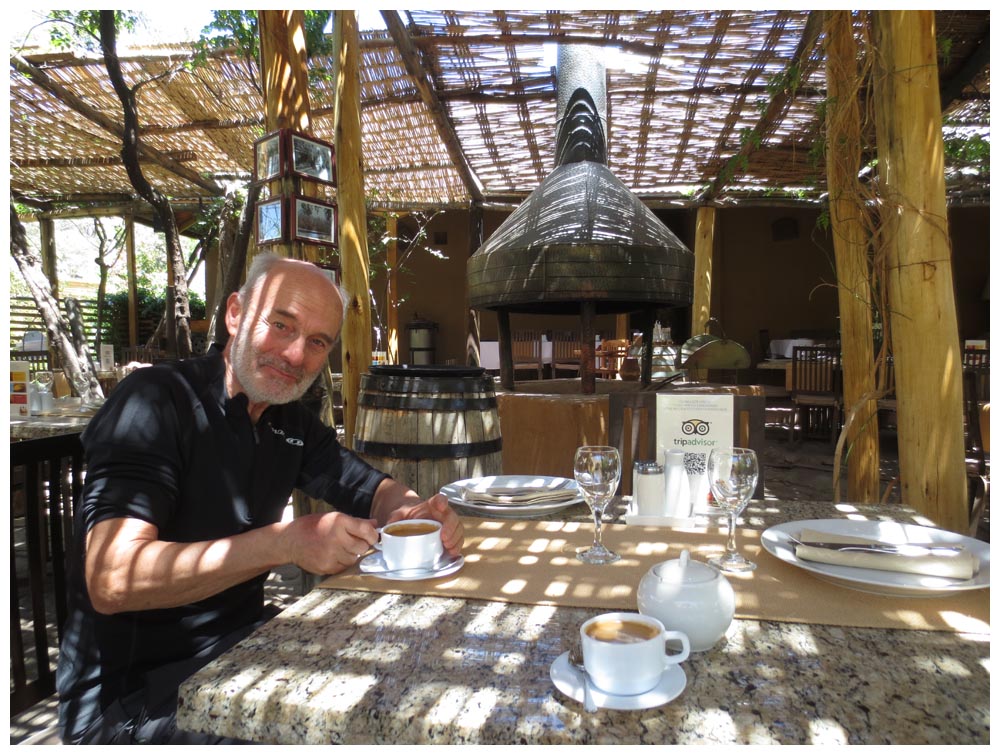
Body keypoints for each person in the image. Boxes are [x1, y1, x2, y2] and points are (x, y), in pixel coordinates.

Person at [56, 254, 464, 744]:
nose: (295, 355)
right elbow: (112, 578)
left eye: (317, 342)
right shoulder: (155, 401)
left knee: (405, 683)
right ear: (235, 314)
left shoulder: (286, 421)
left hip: (243, 652)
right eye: (280, 325)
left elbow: (373, 488)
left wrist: (414, 513)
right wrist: (286, 543)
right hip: (132, 703)